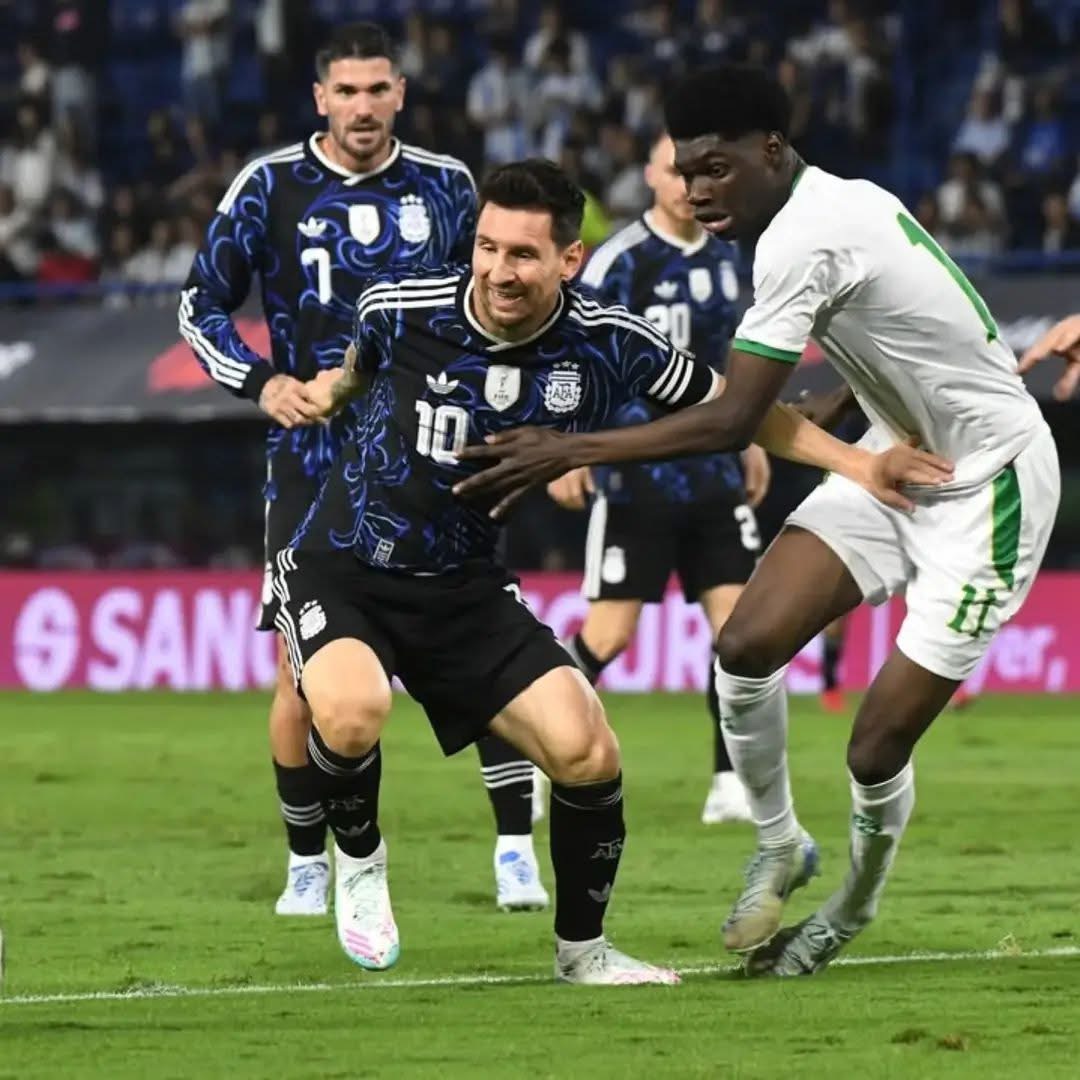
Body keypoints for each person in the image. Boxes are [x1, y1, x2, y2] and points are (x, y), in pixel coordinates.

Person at [453, 64, 1058, 977]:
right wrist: (838, 411)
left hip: (991, 487)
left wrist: (569, 449)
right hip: (894, 455)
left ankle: (846, 911)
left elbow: (733, 418)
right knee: (742, 646)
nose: (699, 192)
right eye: (685, 172)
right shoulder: (832, 206)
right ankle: (780, 843)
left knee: (874, 745)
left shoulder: (800, 239)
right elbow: (897, 333)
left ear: (771, 151)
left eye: (717, 169)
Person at [282, 158, 939, 981]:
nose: (498, 271)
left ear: (569, 259)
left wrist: (859, 464)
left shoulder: (608, 342)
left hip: (465, 588)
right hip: (345, 563)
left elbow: (737, 409)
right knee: (353, 712)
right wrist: (330, 393)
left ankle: (583, 952)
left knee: (587, 751)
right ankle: (361, 862)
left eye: (523, 254)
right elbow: (357, 370)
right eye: (487, 247)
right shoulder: (400, 307)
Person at [176, 23, 546, 920]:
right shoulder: (269, 185)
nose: (363, 106)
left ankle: (514, 852)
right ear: (320, 99)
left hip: (434, 450)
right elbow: (199, 306)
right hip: (312, 461)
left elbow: (496, 304)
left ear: (401, 94)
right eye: (346, 91)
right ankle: (309, 862)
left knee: (481, 650)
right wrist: (264, 383)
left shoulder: (447, 186)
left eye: (378, 89)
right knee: (298, 676)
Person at [548, 131, 765, 824]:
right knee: (608, 636)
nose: (686, 185)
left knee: (738, 634)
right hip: (637, 477)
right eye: (674, 170)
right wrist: (571, 446)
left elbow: (737, 358)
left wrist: (753, 438)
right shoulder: (621, 260)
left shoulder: (729, 257)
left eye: (699, 172)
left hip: (713, 477)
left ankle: (729, 782)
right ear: (649, 176)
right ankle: (536, 747)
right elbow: (571, 353)